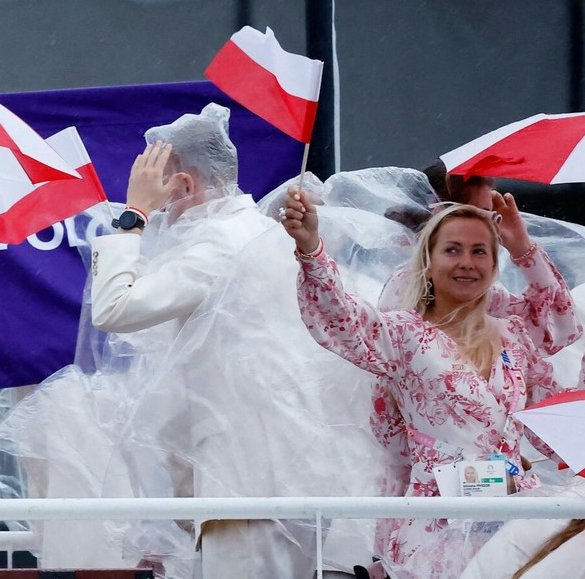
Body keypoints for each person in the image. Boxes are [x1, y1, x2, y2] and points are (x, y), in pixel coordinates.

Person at [89, 103, 383, 577]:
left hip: (246, 487)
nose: (159, 212)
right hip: (288, 480)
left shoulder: (218, 244)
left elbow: (113, 309)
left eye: (158, 192)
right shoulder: (257, 232)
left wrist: (133, 213)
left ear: (183, 186)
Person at [282, 187, 583, 578]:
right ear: (427, 262)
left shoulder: (513, 334)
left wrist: (523, 248)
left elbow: (561, 328)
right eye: (452, 250)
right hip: (437, 523)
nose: (467, 263)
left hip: (514, 514)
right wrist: (311, 248)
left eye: (479, 252)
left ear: (494, 265)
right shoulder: (404, 333)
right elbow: (339, 318)